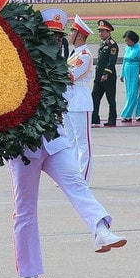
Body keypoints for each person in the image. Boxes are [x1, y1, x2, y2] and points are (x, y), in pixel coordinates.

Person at [11, 7, 127, 278]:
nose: (55, 40)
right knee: (25, 210)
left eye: (58, 36)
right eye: (50, 35)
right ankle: (29, 274)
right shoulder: (20, 61)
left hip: (55, 138)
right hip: (24, 145)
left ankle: (100, 229)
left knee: (76, 183)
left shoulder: (61, 62)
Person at [64, 16, 94, 181]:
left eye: (73, 31)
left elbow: (70, 76)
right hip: (69, 99)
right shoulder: (75, 53)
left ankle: (83, 178)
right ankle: (73, 175)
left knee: (83, 143)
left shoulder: (85, 55)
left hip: (80, 100)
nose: (70, 34)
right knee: (71, 141)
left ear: (80, 35)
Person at [91, 19, 119, 127]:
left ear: (108, 32)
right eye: (99, 31)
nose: (100, 33)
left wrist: (106, 73)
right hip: (99, 77)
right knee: (94, 97)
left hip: (108, 77)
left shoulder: (113, 45)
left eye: (103, 31)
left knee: (110, 99)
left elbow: (111, 61)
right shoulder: (102, 43)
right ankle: (94, 118)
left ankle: (112, 119)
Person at [119, 30, 140, 123]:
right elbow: (124, 61)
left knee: (133, 93)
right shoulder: (127, 48)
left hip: (135, 72)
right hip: (128, 73)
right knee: (130, 93)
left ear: (133, 40)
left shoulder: (139, 49)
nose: (126, 42)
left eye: (127, 40)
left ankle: (127, 114)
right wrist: (122, 74)